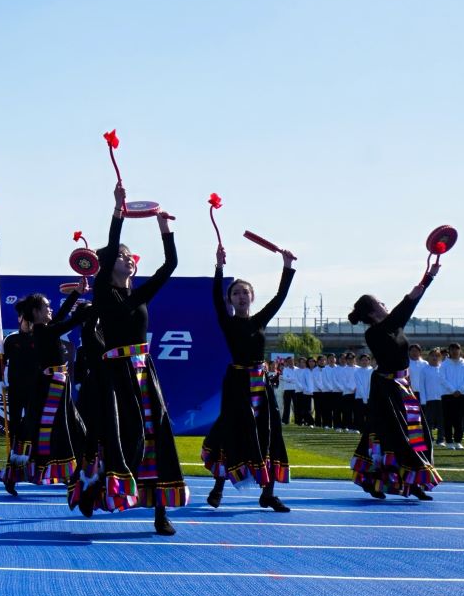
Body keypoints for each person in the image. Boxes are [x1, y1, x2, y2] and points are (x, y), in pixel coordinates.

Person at [75, 184, 186, 533]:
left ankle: (160, 512)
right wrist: (118, 211)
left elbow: (170, 264)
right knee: (123, 437)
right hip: (116, 374)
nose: (128, 259)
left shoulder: (140, 295)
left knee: (157, 435)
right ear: (109, 265)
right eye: (122, 256)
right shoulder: (103, 294)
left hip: (143, 372)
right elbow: (110, 251)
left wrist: (164, 227)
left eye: (129, 256)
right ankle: (93, 489)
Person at [202, 243, 297, 512]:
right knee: (229, 430)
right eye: (236, 293)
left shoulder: (260, 321)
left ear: (252, 297)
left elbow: (279, 297)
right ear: (230, 300)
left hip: (261, 383)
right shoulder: (228, 322)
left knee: (270, 432)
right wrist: (219, 266)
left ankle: (268, 493)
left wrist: (287, 266)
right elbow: (215, 296)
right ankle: (218, 487)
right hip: (237, 383)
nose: (241, 296)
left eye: (245, 292)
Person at [347, 264, 440, 501]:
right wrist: (419, 287)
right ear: (373, 310)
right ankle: (378, 480)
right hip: (386, 390)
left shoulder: (394, 326)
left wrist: (427, 279)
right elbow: (404, 308)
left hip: (402, 387)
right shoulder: (374, 333)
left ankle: (413, 480)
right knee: (392, 435)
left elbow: (406, 309)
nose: (385, 305)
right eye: (381, 303)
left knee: (415, 433)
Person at [16, 287, 90, 496]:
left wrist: (77, 292)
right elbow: (71, 321)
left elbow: (63, 315)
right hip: (53, 388)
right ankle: (70, 473)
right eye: (46, 307)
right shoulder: (44, 331)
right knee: (65, 430)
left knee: (72, 429)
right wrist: (94, 306)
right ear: (36, 312)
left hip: (59, 385)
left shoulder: (46, 329)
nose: (50, 309)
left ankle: (72, 472)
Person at [0, 315, 37, 496]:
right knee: (15, 431)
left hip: (35, 392)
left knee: (35, 430)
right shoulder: (11, 339)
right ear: (19, 318)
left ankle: (43, 470)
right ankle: (11, 474)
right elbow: (1, 362)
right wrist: (1, 381)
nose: (28, 322)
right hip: (15, 391)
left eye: (30, 318)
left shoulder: (39, 337)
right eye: (25, 318)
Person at [438, 343, 464, 449]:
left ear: (460, 350)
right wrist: (453, 390)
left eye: (457, 349)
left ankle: (458, 441)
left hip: (462, 394)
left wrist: (460, 390)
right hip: (447, 394)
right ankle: (449, 441)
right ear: (449, 351)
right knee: (448, 419)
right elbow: (442, 379)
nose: (455, 351)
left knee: (459, 419)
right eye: (452, 349)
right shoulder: (444, 364)